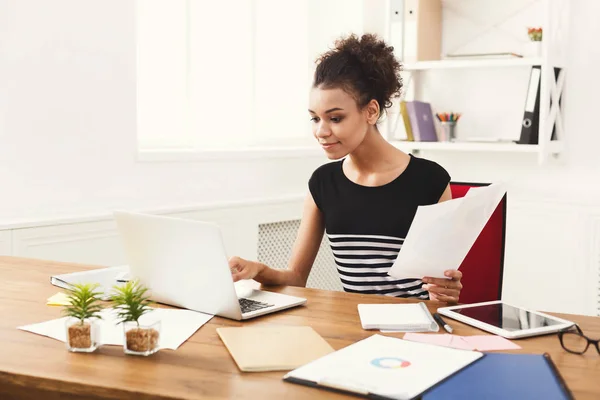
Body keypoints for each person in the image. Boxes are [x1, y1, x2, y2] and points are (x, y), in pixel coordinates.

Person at [229, 33, 463, 304]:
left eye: (335, 118)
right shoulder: (322, 183)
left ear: (371, 111)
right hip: (355, 328)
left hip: (416, 328)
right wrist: (259, 270)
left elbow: (442, 291)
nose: (321, 131)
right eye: (315, 118)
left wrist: (446, 292)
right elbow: (296, 278)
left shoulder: (430, 180)